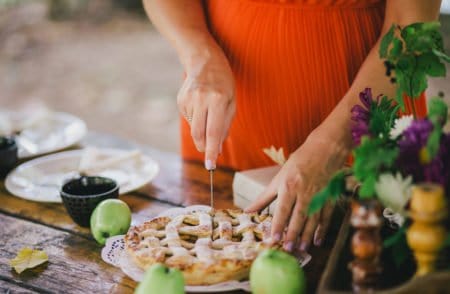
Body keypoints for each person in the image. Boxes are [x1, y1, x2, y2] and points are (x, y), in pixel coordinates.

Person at [142, 0, 441, 252]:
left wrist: (334, 143)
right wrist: (199, 56)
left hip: (367, 110)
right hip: (232, 108)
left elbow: (412, 28)